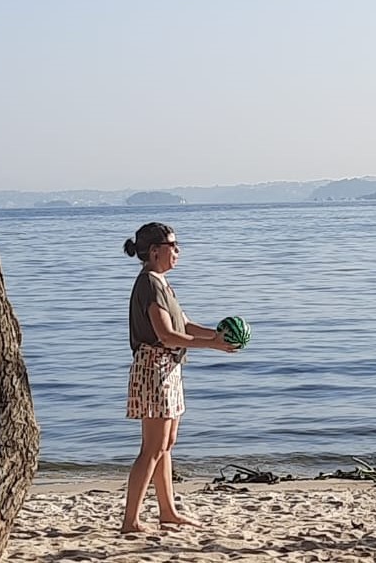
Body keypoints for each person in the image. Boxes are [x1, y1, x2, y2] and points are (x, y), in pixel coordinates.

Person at [121, 221, 238, 534]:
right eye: (173, 245)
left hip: (169, 368)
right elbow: (166, 334)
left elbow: (184, 324)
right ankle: (130, 520)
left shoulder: (161, 282)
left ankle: (168, 511)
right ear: (155, 251)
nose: (178, 251)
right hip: (153, 368)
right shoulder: (148, 283)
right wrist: (211, 344)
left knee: (167, 444)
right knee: (152, 447)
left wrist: (218, 336)